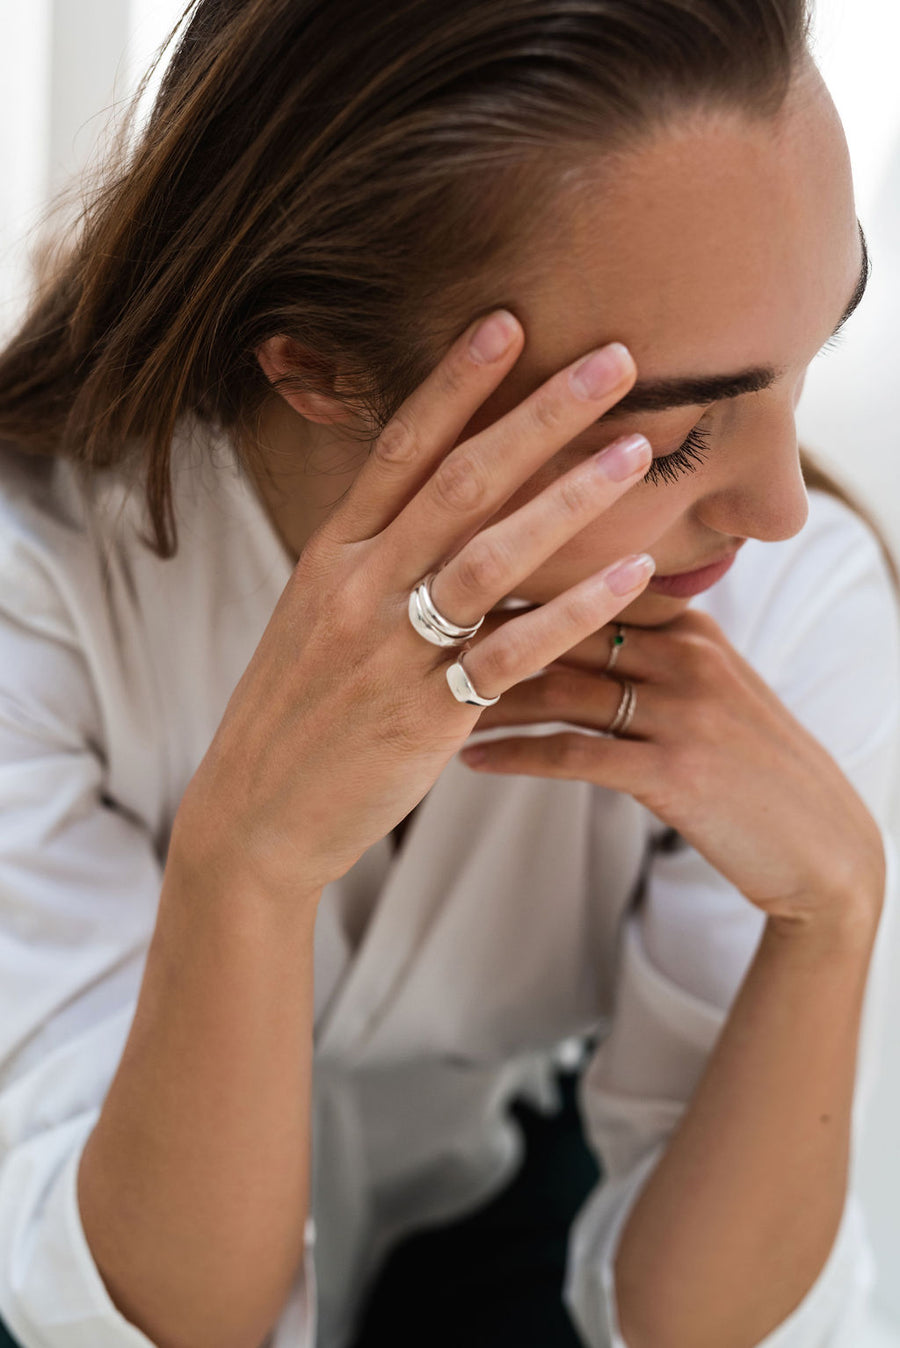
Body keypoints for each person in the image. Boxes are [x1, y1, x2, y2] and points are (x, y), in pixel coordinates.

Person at [0, 0, 898, 1345]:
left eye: (805, 360)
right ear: (319, 369)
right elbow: (147, 1325)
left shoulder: (789, 597)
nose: (780, 506)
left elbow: (702, 1332)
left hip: (510, 1212)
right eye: (668, 442)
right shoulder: (42, 581)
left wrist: (827, 919)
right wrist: (246, 865)